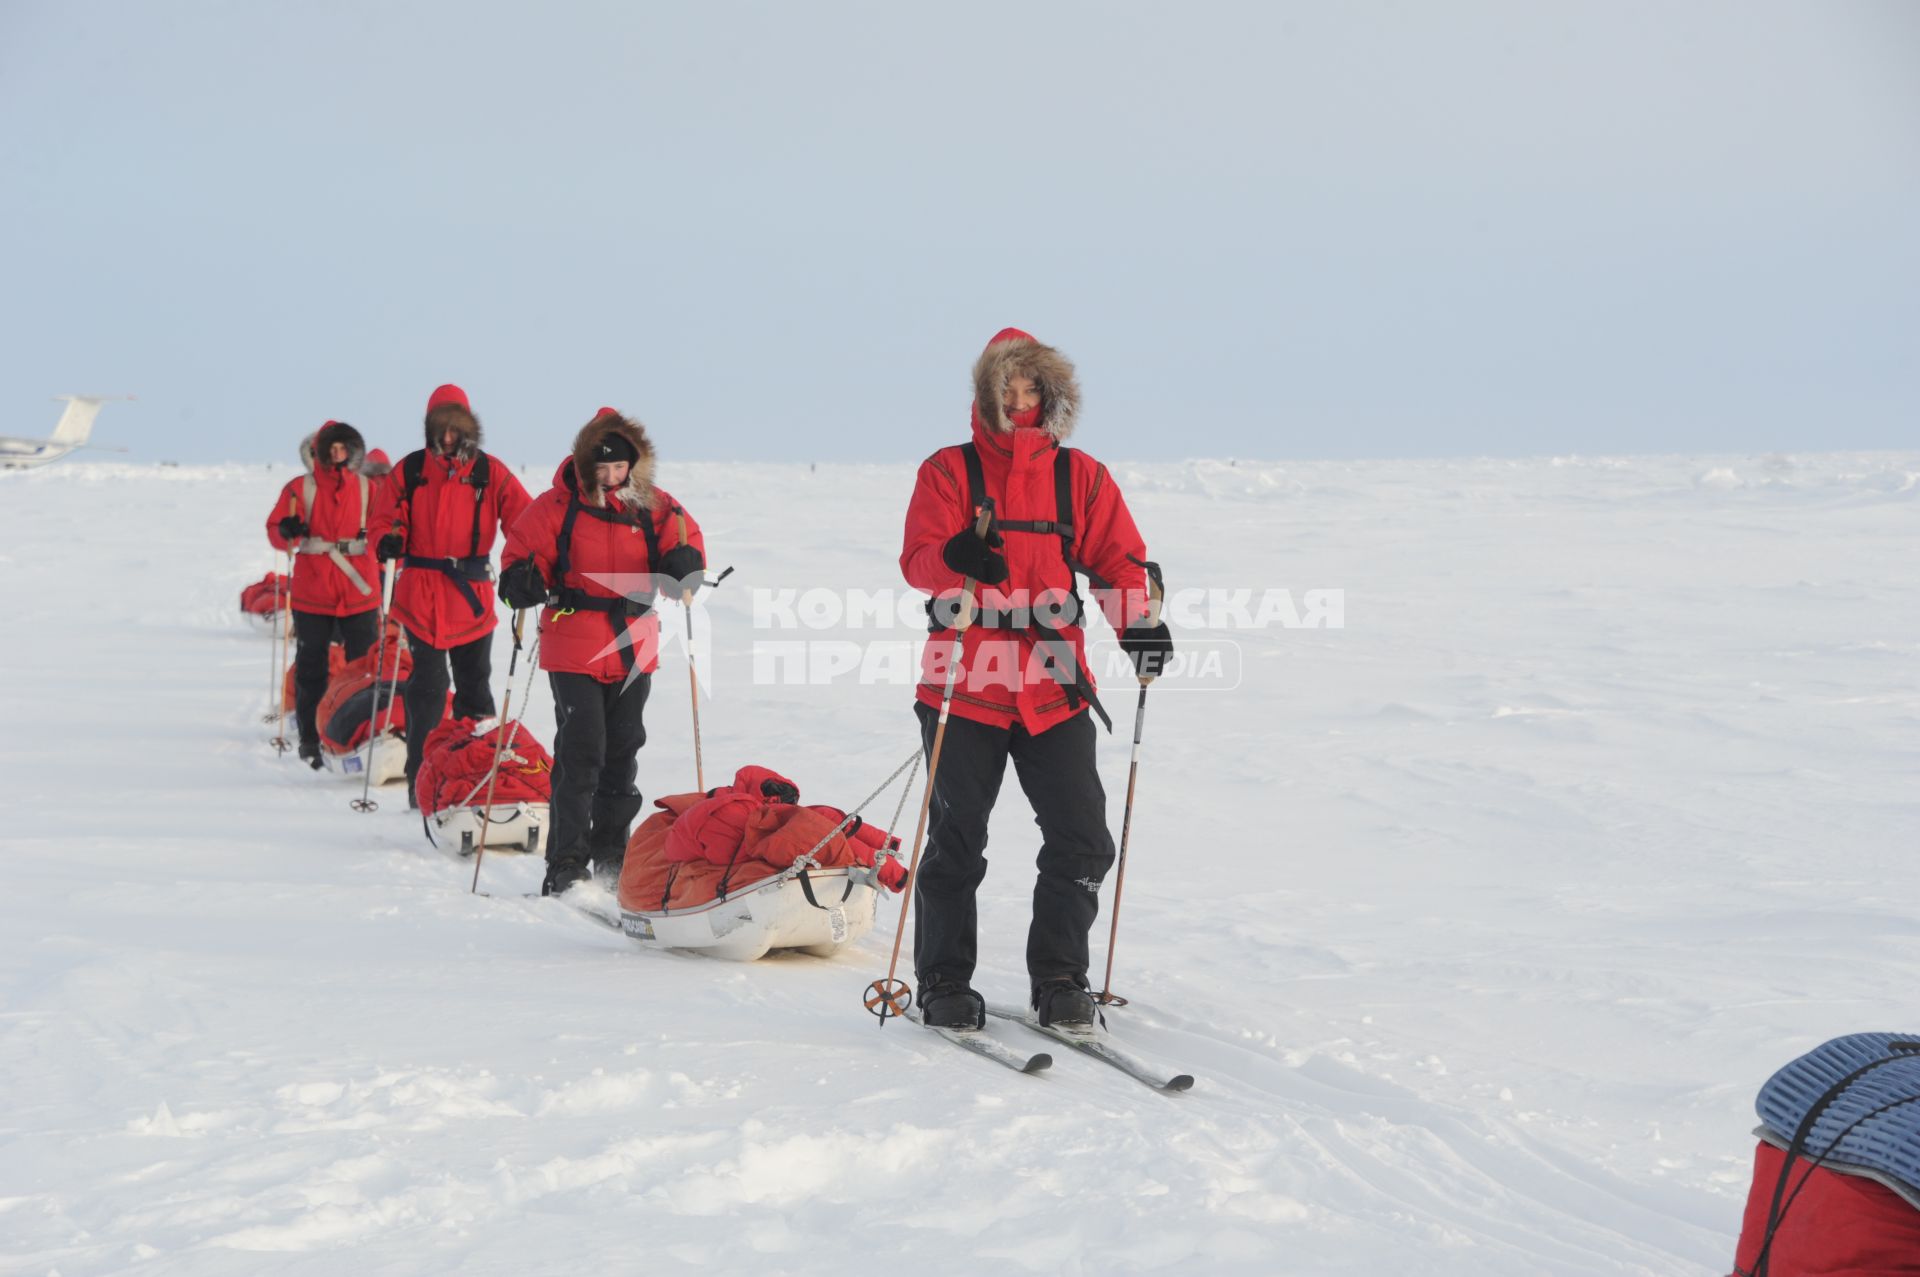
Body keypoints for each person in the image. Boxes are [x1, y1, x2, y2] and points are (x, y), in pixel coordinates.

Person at [899, 328, 1174, 1031]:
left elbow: (1119, 561)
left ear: (1051, 397)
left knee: (1083, 839)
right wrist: (960, 555)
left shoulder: (1079, 476)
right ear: (986, 396)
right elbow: (920, 560)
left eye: (1032, 389)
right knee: (958, 842)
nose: (1020, 401)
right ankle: (942, 981)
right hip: (965, 678)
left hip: (1053, 682)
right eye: (1008, 389)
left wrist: (1136, 623)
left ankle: (1059, 977)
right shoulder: (948, 471)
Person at [499, 409, 707, 895]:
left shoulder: (659, 509)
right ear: (585, 464)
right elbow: (513, 570)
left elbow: (688, 554)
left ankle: (614, 857)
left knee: (623, 750)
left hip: (634, 643)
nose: (612, 477)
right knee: (582, 749)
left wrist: (686, 567)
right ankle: (567, 861)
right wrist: (521, 584)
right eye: (603, 468)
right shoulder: (553, 508)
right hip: (573, 644)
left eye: (621, 468)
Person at [369, 384, 532, 805]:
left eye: (454, 429)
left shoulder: (490, 472)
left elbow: (526, 522)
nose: (447, 438)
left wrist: (531, 562)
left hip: (472, 597)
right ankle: (419, 778)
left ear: (467, 429)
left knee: (475, 686)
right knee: (428, 686)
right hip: (420, 595)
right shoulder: (408, 471)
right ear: (430, 429)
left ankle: (476, 771)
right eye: (440, 429)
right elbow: (383, 519)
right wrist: (387, 539)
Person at [266, 420, 383, 768]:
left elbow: (385, 528)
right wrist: (288, 531)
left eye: (342, 448)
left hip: (359, 591)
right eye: (331, 448)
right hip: (312, 593)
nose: (337, 455)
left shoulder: (368, 489)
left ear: (352, 450)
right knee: (311, 668)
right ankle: (310, 738)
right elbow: (276, 532)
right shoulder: (298, 489)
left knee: (363, 668)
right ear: (319, 451)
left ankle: (357, 732)